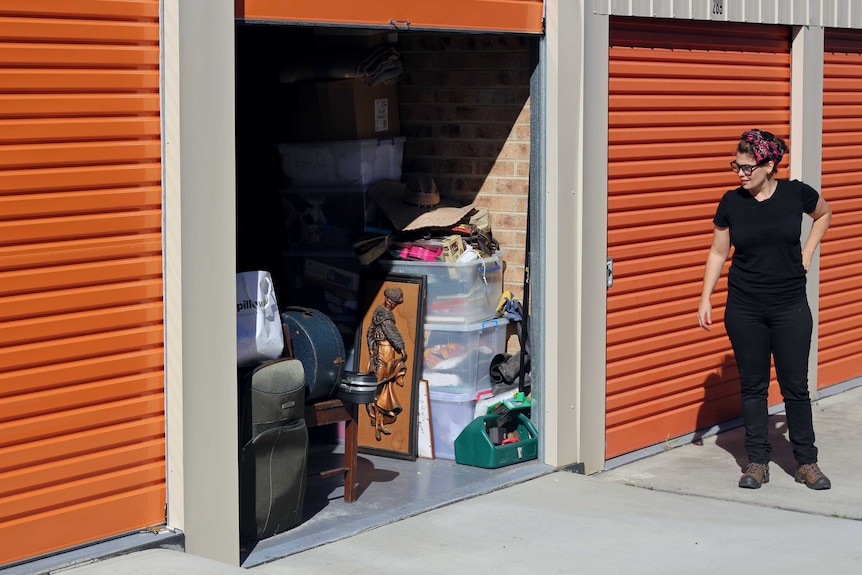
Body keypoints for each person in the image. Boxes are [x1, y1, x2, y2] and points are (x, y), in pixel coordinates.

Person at [697, 129, 833, 490]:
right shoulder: (731, 202)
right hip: (745, 306)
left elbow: (824, 214)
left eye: (746, 166)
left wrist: (806, 254)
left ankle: (807, 462)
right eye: (736, 166)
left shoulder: (795, 194)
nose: (740, 173)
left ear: (769, 165)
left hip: (789, 304)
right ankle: (757, 461)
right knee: (753, 387)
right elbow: (717, 251)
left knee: (795, 387)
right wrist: (705, 296)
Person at [366, 287, 408, 441]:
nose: (392, 305)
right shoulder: (384, 314)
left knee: (383, 385)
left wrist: (371, 346)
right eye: (391, 302)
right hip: (384, 350)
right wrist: (401, 347)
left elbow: (371, 331)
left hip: (383, 350)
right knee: (380, 385)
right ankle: (378, 423)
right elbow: (390, 331)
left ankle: (379, 422)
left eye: (394, 303)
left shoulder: (379, 311)